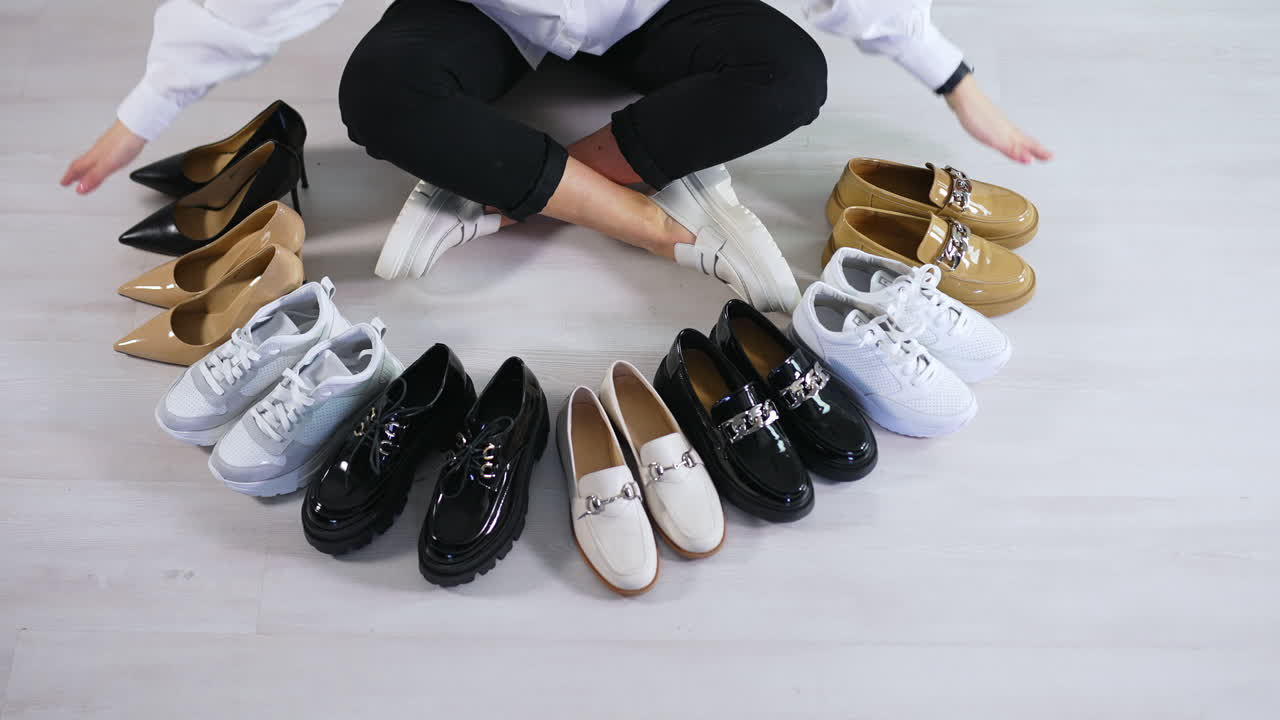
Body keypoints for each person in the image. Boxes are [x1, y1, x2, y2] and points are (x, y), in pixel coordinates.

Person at [61, 0, 1051, 313]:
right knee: (377, 91)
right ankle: (628, 214)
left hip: (651, 10)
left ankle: (502, 191)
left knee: (786, 75)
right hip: (484, 11)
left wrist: (950, 75)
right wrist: (144, 110)